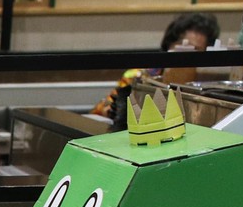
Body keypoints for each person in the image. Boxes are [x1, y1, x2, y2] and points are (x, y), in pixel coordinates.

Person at [92, 12, 222, 129]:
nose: (186, 54)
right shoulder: (139, 75)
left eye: (196, 50)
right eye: (184, 46)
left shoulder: (205, 88)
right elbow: (100, 111)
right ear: (169, 43)